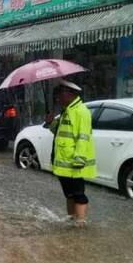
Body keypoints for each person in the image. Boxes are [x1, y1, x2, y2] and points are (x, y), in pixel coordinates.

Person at [46, 80, 96, 227]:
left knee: (78, 193)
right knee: (69, 193)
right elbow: (60, 132)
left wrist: (79, 159)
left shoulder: (81, 111)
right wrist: (51, 123)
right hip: (63, 162)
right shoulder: (66, 110)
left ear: (69, 94)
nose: (57, 99)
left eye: (59, 95)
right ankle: (71, 218)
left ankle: (81, 221)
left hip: (74, 163)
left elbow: (83, 136)